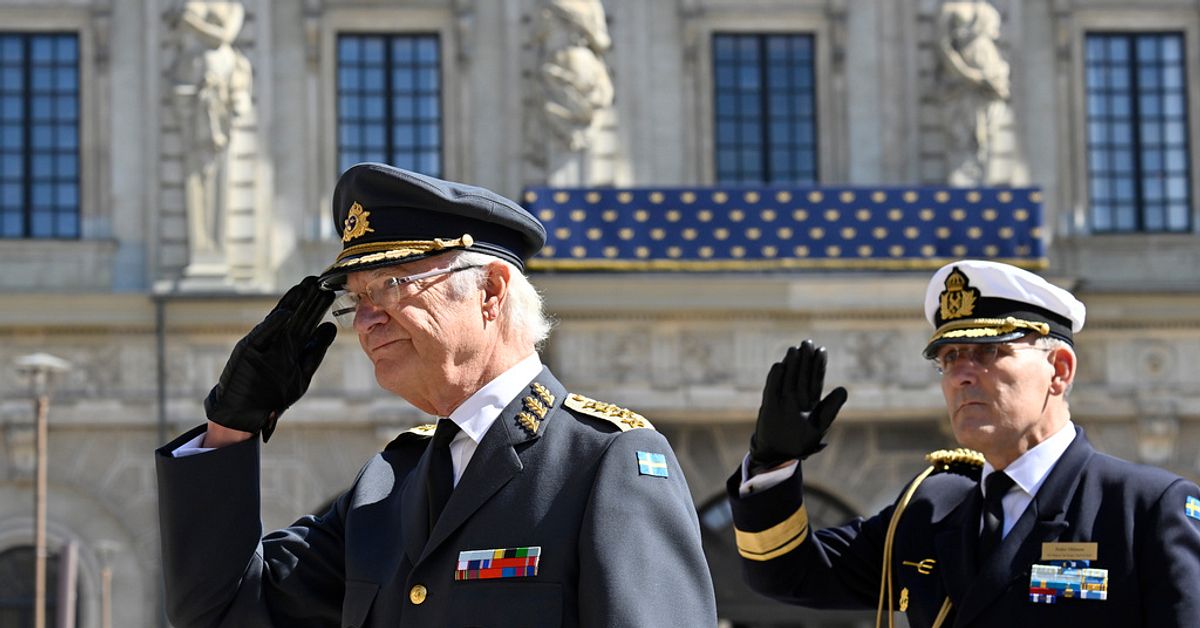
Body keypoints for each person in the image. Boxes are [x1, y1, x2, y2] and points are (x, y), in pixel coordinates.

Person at [156, 163, 718, 628]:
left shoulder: (604, 463)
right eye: (357, 300)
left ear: (491, 293)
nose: (366, 321)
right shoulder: (387, 486)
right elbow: (223, 615)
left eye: (391, 284)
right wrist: (232, 427)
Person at [727, 259, 1200, 627]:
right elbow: (789, 573)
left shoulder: (1143, 509)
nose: (961, 375)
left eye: (989, 352)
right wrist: (773, 464)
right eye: (949, 357)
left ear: (1059, 370)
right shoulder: (934, 509)